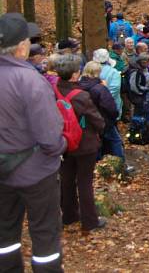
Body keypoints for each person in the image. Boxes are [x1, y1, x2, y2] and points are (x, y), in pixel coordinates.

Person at [0, 14, 66, 272]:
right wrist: (59, 147)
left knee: (4, 234)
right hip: (36, 172)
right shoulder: (30, 81)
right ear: (22, 46)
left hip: (2, 173)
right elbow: (50, 136)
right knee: (45, 234)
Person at [51, 53, 107, 232]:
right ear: (75, 74)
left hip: (62, 142)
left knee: (66, 179)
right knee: (84, 181)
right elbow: (97, 120)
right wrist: (100, 130)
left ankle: (68, 215)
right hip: (84, 144)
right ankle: (90, 221)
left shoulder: (52, 90)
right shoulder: (81, 96)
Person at [78, 61, 123, 162]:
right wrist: (113, 118)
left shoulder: (78, 85)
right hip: (103, 121)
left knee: (95, 144)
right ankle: (120, 165)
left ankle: (95, 166)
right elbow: (110, 107)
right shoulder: (100, 88)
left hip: (86, 122)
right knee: (115, 141)